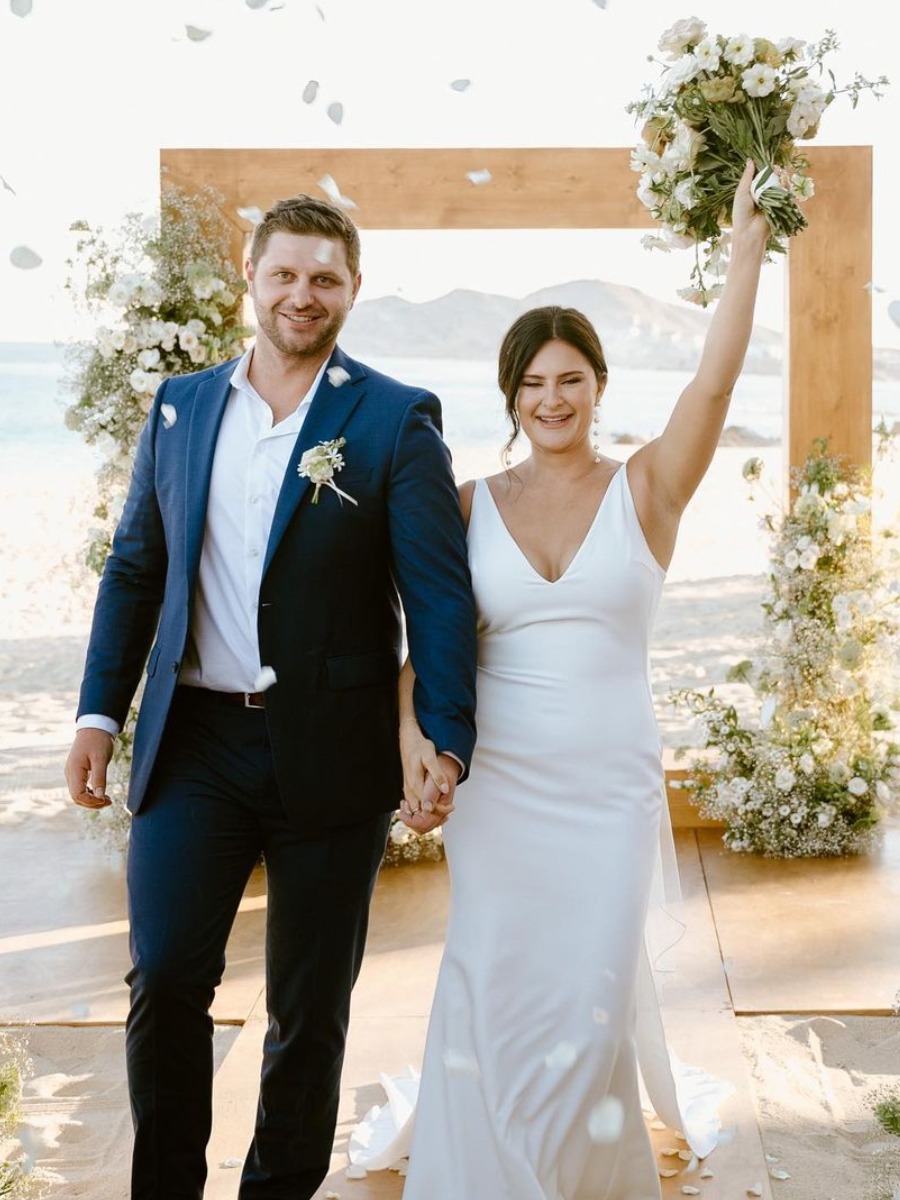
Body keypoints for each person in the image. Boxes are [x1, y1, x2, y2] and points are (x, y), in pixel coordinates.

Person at [362, 159, 769, 1198]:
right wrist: (415, 749)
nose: (553, 398)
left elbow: (714, 383)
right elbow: (427, 656)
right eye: (533, 383)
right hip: (501, 791)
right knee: (493, 986)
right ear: (512, 397)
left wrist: (748, 252)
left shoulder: (649, 489)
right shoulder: (464, 504)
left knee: (591, 1011)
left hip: (606, 792)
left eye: (570, 379)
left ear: (597, 387)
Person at [63, 191, 478, 1200]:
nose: (304, 294)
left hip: (331, 755)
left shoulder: (392, 419)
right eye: (285, 273)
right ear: (250, 276)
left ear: (353, 292)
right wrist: (96, 714)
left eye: (325, 278)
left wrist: (442, 736)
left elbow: (439, 598)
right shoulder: (182, 405)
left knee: (309, 1006)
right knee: (164, 980)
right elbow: (134, 570)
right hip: (194, 744)